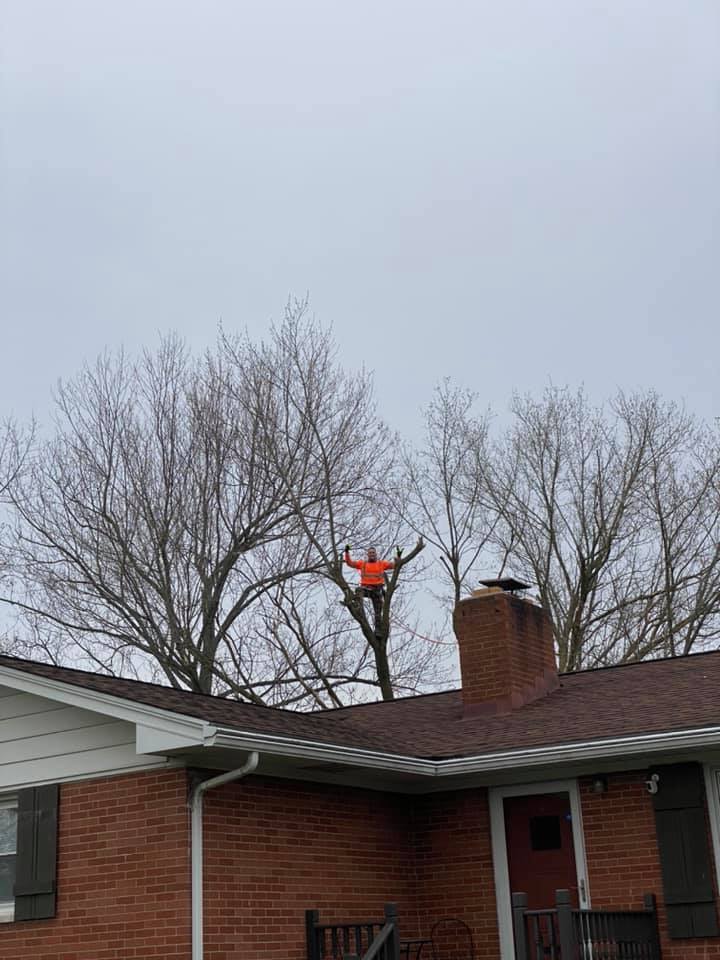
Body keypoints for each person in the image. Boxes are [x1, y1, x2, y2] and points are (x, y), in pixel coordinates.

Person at [343, 544, 398, 635]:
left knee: (378, 612)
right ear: (367, 555)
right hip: (366, 589)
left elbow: (394, 565)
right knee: (358, 591)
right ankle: (358, 608)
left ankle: (378, 631)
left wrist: (398, 557)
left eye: (373, 553)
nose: (372, 554)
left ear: (376, 554)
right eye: (370, 553)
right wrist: (347, 552)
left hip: (377, 590)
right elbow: (350, 563)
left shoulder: (381, 564)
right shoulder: (362, 564)